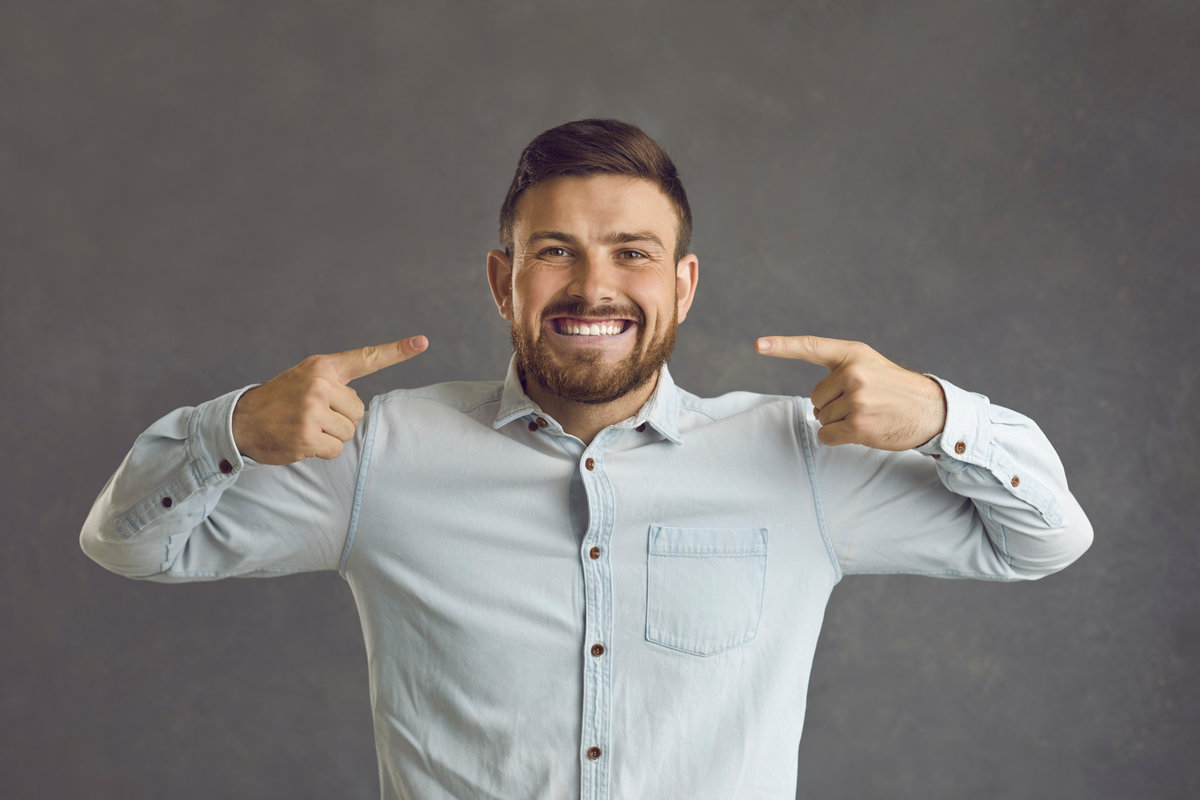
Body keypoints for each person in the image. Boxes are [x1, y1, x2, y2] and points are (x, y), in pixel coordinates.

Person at [80, 118, 1093, 800]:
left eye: (633, 251)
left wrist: (944, 416)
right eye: (555, 249)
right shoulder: (380, 453)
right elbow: (128, 546)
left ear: (684, 283)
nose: (593, 284)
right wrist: (228, 430)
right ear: (503, 279)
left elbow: (1045, 538)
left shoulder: (800, 458)